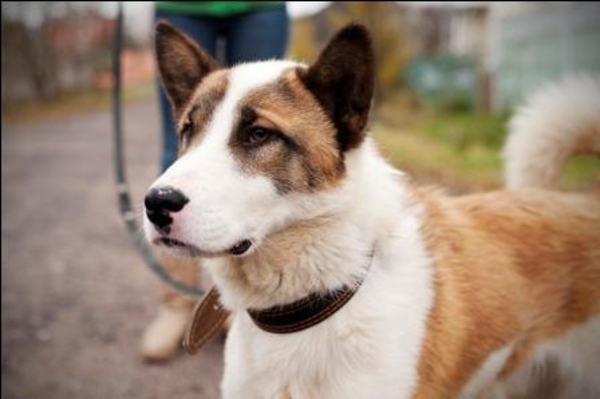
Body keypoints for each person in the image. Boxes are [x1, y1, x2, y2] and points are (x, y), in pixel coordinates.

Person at [141, 1, 289, 362]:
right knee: (179, 150)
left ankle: (238, 305)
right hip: (182, 5)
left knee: (260, 133)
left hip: (259, 6)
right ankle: (177, 302)